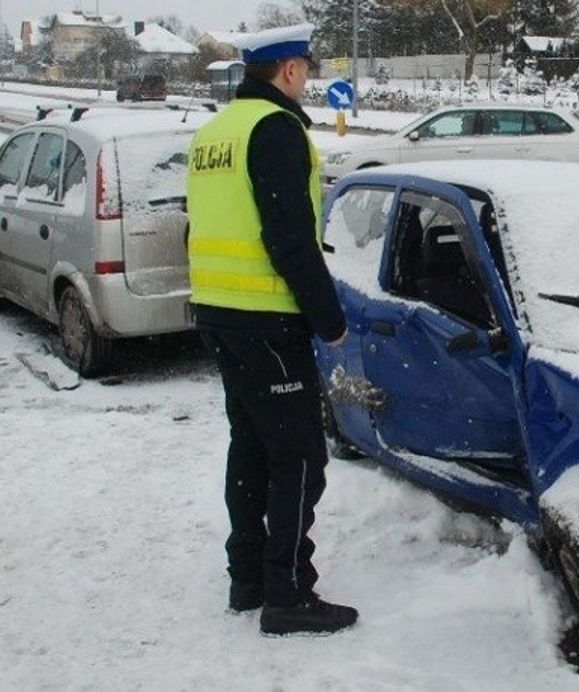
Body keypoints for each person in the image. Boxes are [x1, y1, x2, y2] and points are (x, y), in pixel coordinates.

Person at [186, 23, 356, 636]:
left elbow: (200, 225)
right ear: (288, 70)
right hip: (267, 318)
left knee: (252, 447)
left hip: (219, 311)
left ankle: (249, 578)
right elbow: (289, 237)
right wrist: (329, 320)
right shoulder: (276, 128)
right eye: (305, 69)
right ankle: (287, 592)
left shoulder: (215, 133)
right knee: (299, 456)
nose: (307, 78)